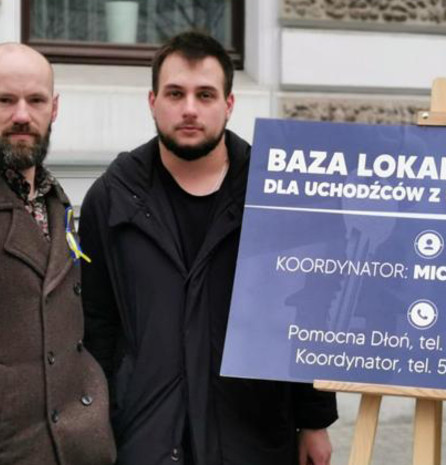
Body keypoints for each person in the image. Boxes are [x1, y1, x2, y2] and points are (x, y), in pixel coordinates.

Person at [79, 32, 337, 465]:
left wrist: (314, 421)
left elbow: (306, 313)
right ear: (152, 101)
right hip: (145, 434)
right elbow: (97, 322)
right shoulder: (111, 198)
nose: (189, 109)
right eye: (175, 93)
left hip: (252, 434)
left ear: (229, 104)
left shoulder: (274, 193)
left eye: (205, 95)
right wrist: (95, 424)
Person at [0, 43, 115, 465]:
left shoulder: (55, 199)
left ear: (55, 108)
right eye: (5, 100)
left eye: (36, 100)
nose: (22, 115)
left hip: (82, 447)